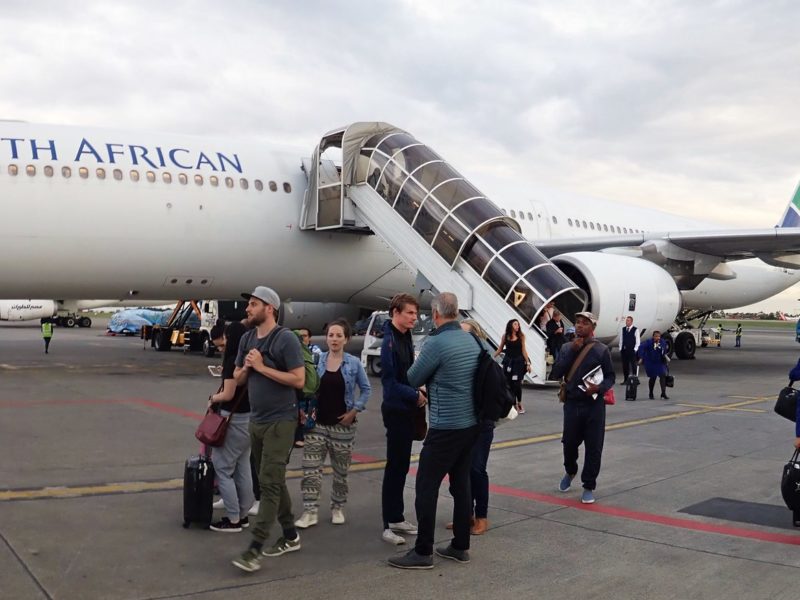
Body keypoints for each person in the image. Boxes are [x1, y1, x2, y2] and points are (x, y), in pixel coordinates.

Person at [388, 292, 480, 569]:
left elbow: (413, 378)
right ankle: (460, 546)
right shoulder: (472, 339)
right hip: (471, 425)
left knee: (426, 486)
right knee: (461, 485)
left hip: (445, 426)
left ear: (437, 314)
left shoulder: (436, 343)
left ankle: (423, 551)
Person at [231, 286, 305, 573]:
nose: (247, 309)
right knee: (271, 480)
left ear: (269, 308)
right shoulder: (247, 337)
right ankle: (290, 535)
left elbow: (298, 380)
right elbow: (237, 379)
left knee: (270, 482)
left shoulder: (284, 339)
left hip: (281, 420)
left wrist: (261, 368)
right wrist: (248, 368)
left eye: (253, 304)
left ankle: (254, 548)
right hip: (257, 419)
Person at [294, 319, 371, 528]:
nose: (334, 339)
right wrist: (302, 410)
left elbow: (366, 389)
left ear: (346, 339)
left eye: (339, 335)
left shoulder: (353, 363)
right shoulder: (316, 359)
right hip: (316, 423)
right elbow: (307, 387)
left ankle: (337, 506)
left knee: (341, 472)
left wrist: (354, 410)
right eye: (330, 335)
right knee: (310, 469)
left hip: (343, 426)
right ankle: (310, 511)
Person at [549, 312, 614, 505]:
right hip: (572, 403)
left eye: (584, 324)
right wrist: (570, 353)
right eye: (577, 323)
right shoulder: (567, 347)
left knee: (594, 447)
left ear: (592, 328)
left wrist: (599, 388)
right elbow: (556, 373)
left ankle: (588, 486)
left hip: (594, 405)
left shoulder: (602, 350)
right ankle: (570, 470)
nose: (579, 326)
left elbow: (610, 376)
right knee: (569, 443)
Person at [380, 293, 426, 545]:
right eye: (410, 313)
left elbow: (407, 374)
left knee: (401, 467)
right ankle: (388, 524)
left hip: (406, 408)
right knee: (394, 467)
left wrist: (418, 389)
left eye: (415, 313)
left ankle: (396, 517)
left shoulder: (404, 336)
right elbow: (389, 384)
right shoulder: (389, 341)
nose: (414, 318)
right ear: (396, 313)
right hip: (397, 410)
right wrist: (414, 395)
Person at [207, 321, 255, 533]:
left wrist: (212, 398)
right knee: (243, 467)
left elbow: (228, 394)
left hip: (233, 419)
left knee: (222, 467)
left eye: (226, 336)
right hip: (250, 417)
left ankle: (233, 518)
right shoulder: (251, 360)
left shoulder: (232, 363)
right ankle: (243, 514)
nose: (224, 341)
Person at [459, 318, 494, 536]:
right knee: (462, 471)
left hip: (481, 422)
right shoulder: (460, 360)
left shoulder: (485, 360)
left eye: (466, 335)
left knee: (477, 469)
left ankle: (481, 516)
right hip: (463, 421)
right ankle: (465, 515)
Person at [493, 319, 531, 414]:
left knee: (517, 384)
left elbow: (524, 350)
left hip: (518, 363)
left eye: (518, 325)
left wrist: (528, 363)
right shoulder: (505, 336)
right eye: (515, 324)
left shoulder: (521, 336)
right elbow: (500, 349)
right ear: (510, 326)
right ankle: (512, 404)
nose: (517, 326)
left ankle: (519, 403)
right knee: (509, 384)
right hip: (508, 362)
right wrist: (492, 357)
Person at [293, 327, 321, 449]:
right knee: (301, 409)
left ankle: (304, 430)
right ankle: (299, 434)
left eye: (305, 335)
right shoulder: (297, 350)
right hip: (302, 387)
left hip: (308, 386)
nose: (302, 338)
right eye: (301, 336)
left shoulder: (315, 351)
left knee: (307, 409)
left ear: (309, 338)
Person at [638, 331, 670, 400]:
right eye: (656, 336)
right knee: (653, 377)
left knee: (663, 375)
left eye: (659, 336)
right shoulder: (649, 342)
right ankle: (651, 393)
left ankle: (663, 393)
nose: (658, 338)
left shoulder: (662, 342)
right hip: (650, 362)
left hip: (659, 362)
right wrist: (641, 357)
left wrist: (665, 358)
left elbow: (664, 351)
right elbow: (641, 347)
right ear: (653, 337)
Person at [618, 316, 640, 383]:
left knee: (633, 365)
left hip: (632, 350)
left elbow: (638, 341)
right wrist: (620, 348)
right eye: (626, 320)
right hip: (624, 350)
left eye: (628, 320)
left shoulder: (635, 329)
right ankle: (625, 380)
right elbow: (621, 339)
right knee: (625, 366)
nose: (627, 322)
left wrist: (635, 349)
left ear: (631, 321)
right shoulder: (623, 329)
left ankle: (635, 379)